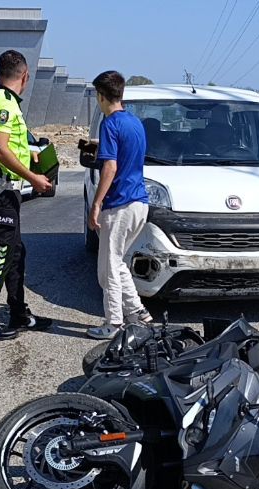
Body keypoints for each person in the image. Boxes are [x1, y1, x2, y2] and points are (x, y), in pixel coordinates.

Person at [0, 50, 54, 340]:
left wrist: (29, 154)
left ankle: (19, 313)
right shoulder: (4, 103)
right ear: (26, 75)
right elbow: (0, 148)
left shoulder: (0, 100)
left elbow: (6, 146)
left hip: (4, 190)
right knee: (2, 255)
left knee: (16, 253)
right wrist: (34, 178)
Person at [86, 70, 152, 339]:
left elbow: (110, 166)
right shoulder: (136, 123)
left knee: (110, 269)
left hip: (120, 205)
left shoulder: (109, 123)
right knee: (114, 263)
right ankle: (139, 311)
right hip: (140, 203)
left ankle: (113, 324)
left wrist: (96, 203)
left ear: (101, 96)